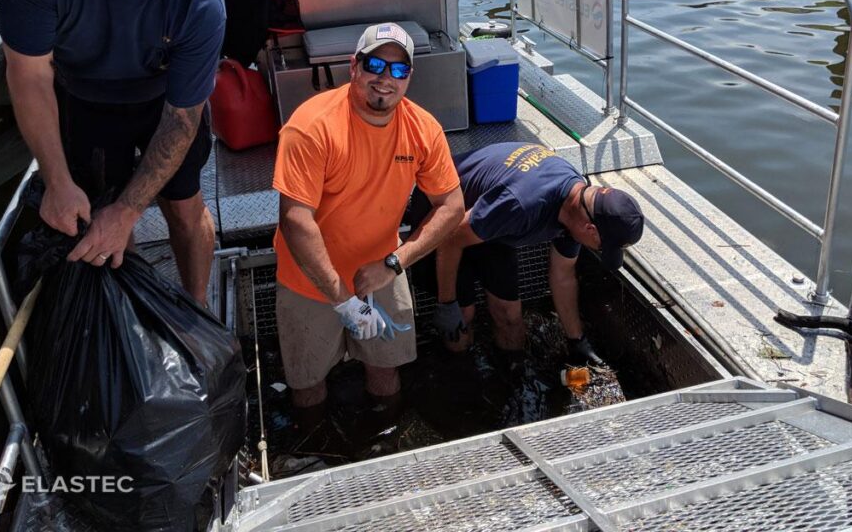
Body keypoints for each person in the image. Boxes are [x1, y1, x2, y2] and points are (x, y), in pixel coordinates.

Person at [0, 0, 225, 304]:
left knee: (183, 207)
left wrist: (130, 209)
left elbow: (183, 118)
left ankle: (197, 314)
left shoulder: (200, 3)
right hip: (81, 93)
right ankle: (129, 313)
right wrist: (57, 181)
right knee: (93, 213)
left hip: (163, 98)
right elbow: (29, 75)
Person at [273, 23, 464, 411]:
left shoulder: (423, 128)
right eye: (376, 64)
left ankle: (382, 442)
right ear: (353, 67)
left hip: (381, 269)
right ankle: (315, 450)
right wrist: (341, 299)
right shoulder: (311, 126)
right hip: (308, 279)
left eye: (398, 70)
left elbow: (452, 206)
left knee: (386, 369)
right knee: (307, 385)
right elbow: (295, 219)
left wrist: (394, 264)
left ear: (409, 77)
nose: (385, 79)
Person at [429, 142, 644, 366]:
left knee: (511, 321)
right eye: (601, 247)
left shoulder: (578, 208)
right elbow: (451, 236)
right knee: (461, 321)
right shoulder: (523, 204)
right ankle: (460, 376)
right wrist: (447, 302)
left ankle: (510, 376)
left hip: (491, 225)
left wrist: (576, 339)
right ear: (590, 230)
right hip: (444, 217)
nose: (598, 251)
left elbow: (563, 275)